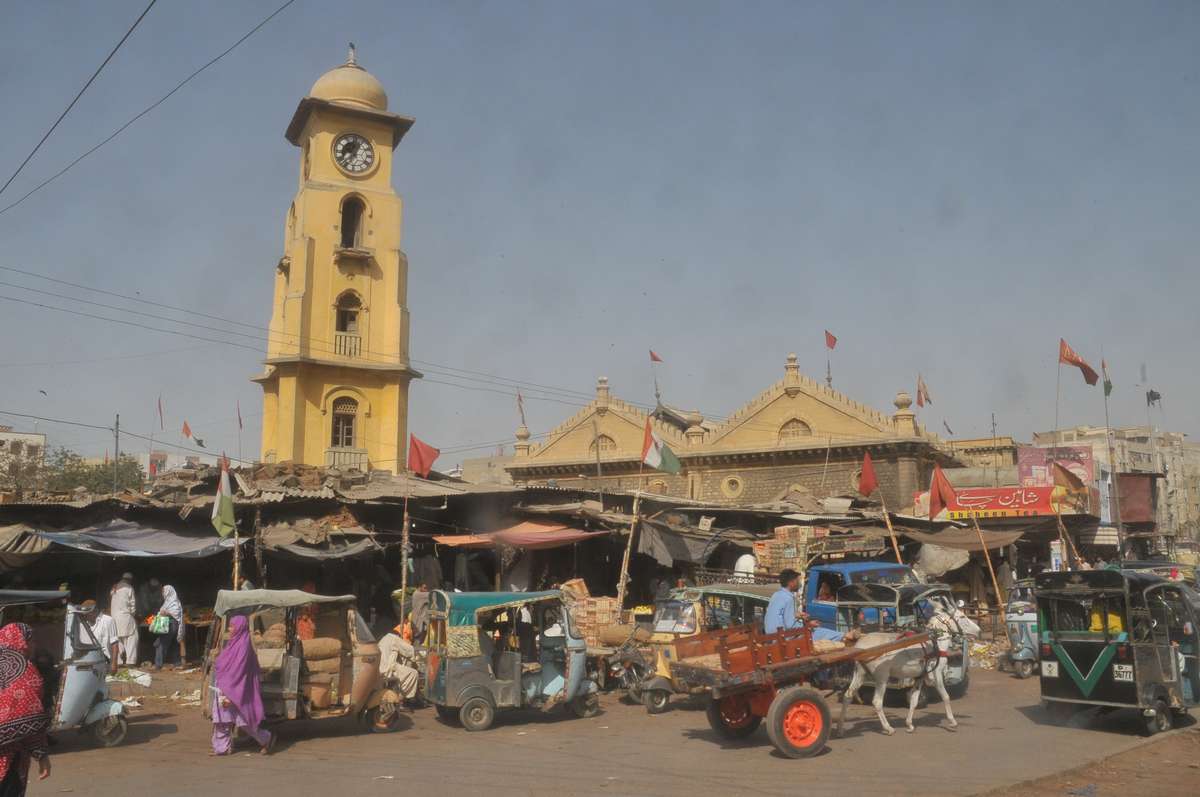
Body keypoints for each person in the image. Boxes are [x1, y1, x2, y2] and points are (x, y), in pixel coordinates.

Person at [210, 615, 274, 756]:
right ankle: (222, 748)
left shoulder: (244, 646)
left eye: (232, 626)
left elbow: (238, 672)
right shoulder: (233, 643)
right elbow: (224, 663)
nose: (230, 628)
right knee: (222, 720)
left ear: (239, 627)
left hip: (238, 690)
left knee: (244, 721)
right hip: (225, 688)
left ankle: (266, 739)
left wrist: (228, 694)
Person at [0, 623, 52, 796]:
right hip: (10, 756)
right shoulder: (25, 669)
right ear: (22, 641)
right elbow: (29, 715)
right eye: (31, 640)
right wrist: (41, 754)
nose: (34, 645)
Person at [377, 625, 420, 709]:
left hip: (380, 668)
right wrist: (417, 656)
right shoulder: (393, 638)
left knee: (403, 670)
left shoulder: (383, 639)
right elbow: (408, 650)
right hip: (388, 669)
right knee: (413, 673)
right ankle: (401, 698)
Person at [109, 573, 138, 668]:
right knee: (132, 638)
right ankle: (130, 661)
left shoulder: (114, 587)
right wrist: (133, 614)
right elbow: (132, 604)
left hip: (114, 617)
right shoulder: (129, 588)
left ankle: (119, 661)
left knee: (118, 639)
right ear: (129, 580)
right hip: (125, 616)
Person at [153, 585, 184, 670]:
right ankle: (177, 663)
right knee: (174, 644)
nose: (162, 593)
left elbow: (176, 613)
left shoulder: (174, 602)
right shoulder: (167, 602)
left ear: (168, 591)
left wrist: (166, 613)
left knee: (161, 643)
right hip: (169, 624)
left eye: (164, 591)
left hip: (171, 625)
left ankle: (158, 664)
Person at [79, 600, 119, 666]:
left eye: (87, 614)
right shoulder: (83, 624)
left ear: (94, 611)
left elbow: (114, 644)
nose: (85, 616)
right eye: (84, 614)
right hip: (89, 662)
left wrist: (114, 663)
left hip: (105, 662)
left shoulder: (108, 621)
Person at [765, 569, 803, 634]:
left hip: (769, 633)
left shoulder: (776, 594)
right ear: (791, 583)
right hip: (780, 637)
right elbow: (790, 625)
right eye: (797, 581)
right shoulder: (789, 598)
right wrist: (806, 625)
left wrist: (797, 615)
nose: (800, 584)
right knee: (822, 632)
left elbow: (779, 614)